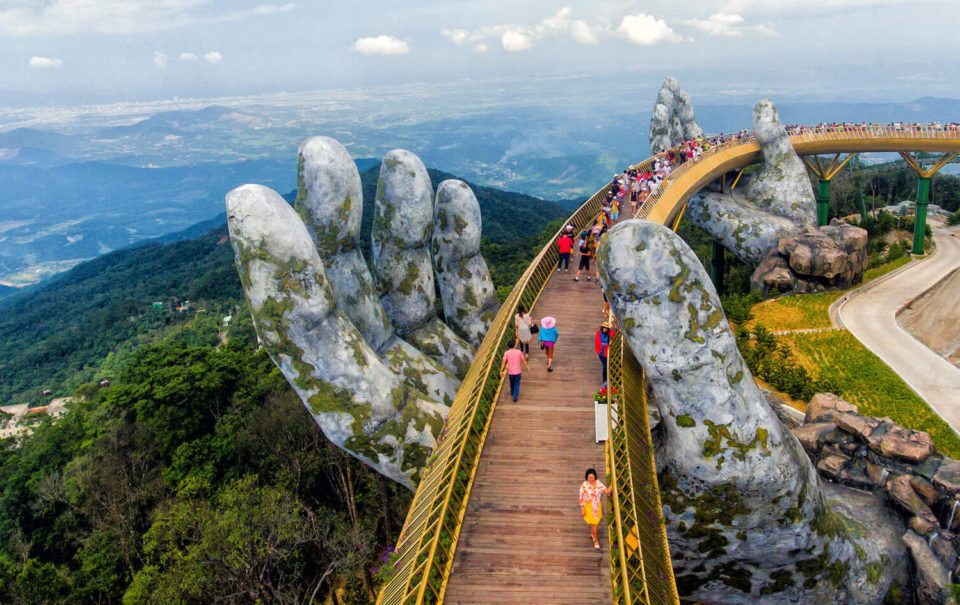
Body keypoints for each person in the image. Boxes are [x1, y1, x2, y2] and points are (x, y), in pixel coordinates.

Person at [579, 468, 612, 550]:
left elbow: (607, 491)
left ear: (595, 477)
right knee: (595, 524)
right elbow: (581, 498)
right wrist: (582, 509)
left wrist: (613, 483)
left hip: (597, 506)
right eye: (589, 478)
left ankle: (593, 534)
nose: (591, 480)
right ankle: (596, 540)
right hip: (588, 506)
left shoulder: (598, 484)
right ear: (586, 478)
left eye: (592, 478)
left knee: (594, 523)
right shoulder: (584, 486)